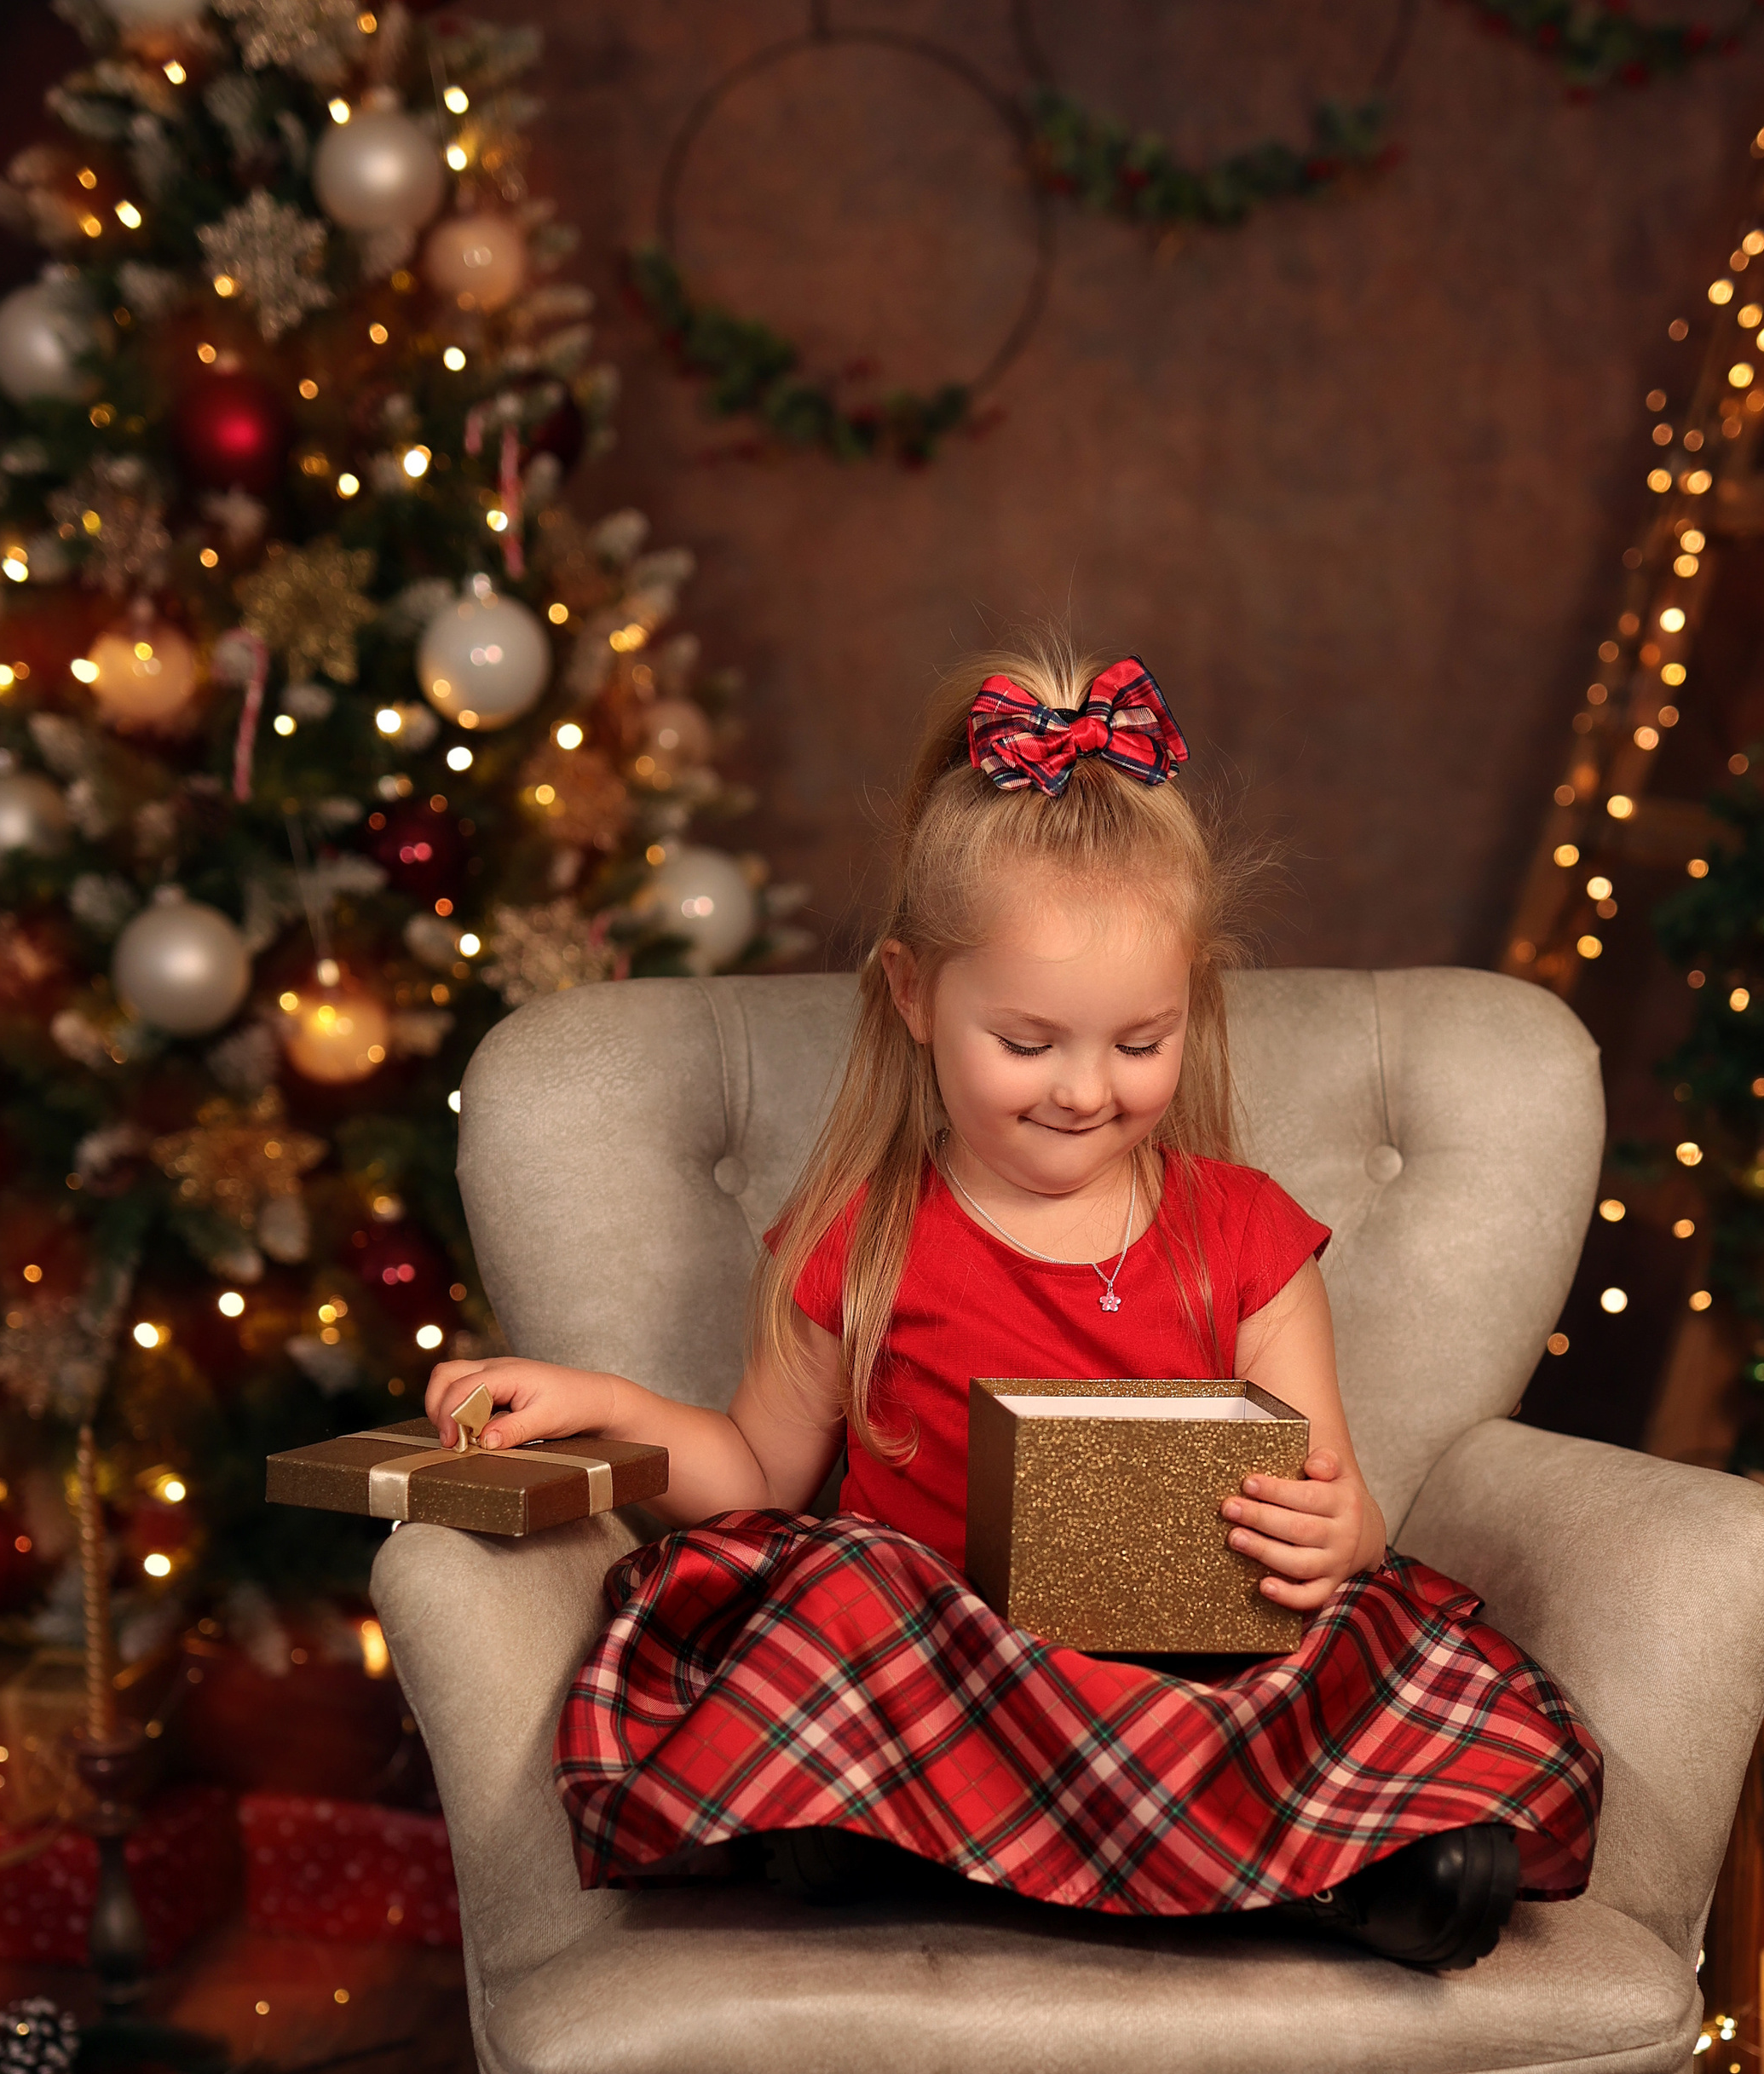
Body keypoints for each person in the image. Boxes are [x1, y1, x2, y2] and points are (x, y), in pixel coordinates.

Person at [426, 642, 1600, 1971]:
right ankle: (1268, 1877)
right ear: (916, 996)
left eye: (1139, 1044)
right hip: (950, 1685)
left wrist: (1338, 1529)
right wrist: (606, 1405)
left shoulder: (1248, 1236)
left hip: (1181, 1689)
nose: (1084, 1090)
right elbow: (756, 1472)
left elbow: (1339, 1501)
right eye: (1030, 1043)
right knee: (845, 1582)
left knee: (1351, 1653)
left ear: (1188, 1012)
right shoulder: (861, 1242)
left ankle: (1291, 1862)